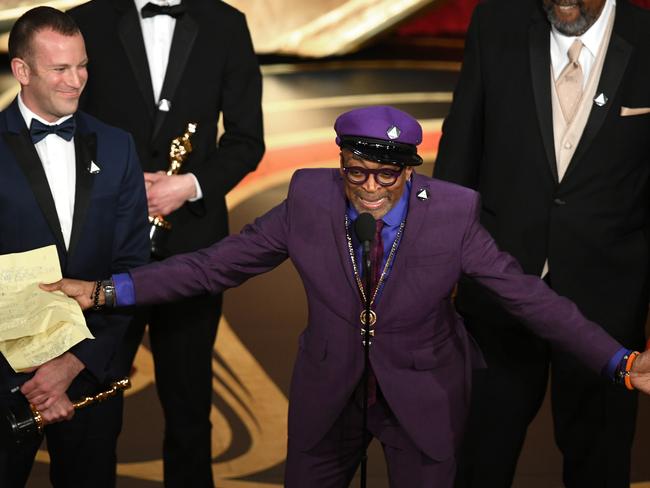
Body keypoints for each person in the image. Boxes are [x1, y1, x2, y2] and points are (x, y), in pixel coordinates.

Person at [44, 105, 650, 488]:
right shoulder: (310, 200)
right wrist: (104, 290)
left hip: (424, 392)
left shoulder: (454, 216)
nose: (370, 189)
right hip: (329, 390)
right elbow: (212, 266)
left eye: (387, 175)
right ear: (340, 162)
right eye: (357, 171)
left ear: (410, 169)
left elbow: (528, 297)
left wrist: (618, 361)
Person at [433, 0, 650, 487]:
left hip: (608, 305)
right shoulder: (495, 23)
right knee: (479, 457)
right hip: (496, 292)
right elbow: (459, 147)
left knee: (599, 462)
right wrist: (435, 267)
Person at [67, 1, 264, 485]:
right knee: (92, 406)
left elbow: (246, 139)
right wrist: (120, 187)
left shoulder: (226, 24)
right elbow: (64, 128)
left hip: (194, 247)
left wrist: (190, 185)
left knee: (190, 406)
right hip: (104, 245)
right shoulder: (86, 21)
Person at [0, 7, 149, 487]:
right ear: (21, 70)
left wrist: (74, 362)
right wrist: (29, 381)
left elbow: (133, 267)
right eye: (60, 69)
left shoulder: (118, 146)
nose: (77, 80)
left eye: (82, 65)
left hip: (92, 374)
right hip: (4, 381)